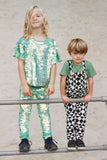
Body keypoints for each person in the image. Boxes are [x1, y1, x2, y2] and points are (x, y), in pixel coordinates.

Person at [13, 5, 61, 152]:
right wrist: (24, 84)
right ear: (27, 20)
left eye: (38, 15)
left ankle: (48, 139)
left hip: (43, 86)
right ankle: (24, 140)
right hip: (27, 86)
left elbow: (53, 64)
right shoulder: (23, 42)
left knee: (45, 113)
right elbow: (20, 64)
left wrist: (52, 83)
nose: (35, 18)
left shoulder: (50, 42)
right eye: (32, 16)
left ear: (43, 19)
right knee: (24, 113)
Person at [60, 38, 96, 150]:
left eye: (81, 53)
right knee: (71, 118)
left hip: (82, 98)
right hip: (70, 98)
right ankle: (71, 140)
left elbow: (90, 80)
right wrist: (63, 95)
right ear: (70, 53)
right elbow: (63, 80)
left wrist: (89, 94)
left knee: (81, 118)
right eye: (75, 53)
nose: (78, 56)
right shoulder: (67, 65)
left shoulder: (87, 65)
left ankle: (79, 139)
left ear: (85, 53)